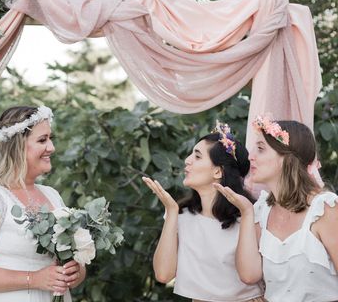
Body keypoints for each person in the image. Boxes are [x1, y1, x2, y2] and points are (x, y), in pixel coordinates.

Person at [0, 105, 86, 302]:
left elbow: (75, 267)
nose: (51, 147)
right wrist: (34, 279)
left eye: (50, 138)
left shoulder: (53, 196)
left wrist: (75, 271)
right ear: (17, 146)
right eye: (42, 140)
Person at [216, 117, 338, 301]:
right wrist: (247, 213)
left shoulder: (324, 209)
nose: (250, 156)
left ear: (286, 158)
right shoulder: (261, 211)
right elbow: (249, 275)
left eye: (261, 149)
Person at [143, 122, 264, 302]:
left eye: (197, 156)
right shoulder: (181, 216)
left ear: (217, 171)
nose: (187, 160)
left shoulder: (251, 215)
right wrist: (171, 212)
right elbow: (163, 274)